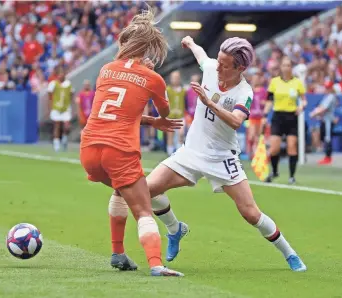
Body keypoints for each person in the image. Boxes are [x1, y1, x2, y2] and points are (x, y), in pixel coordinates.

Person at [112, 36, 307, 272]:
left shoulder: (244, 91)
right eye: (219, 62)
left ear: (240, 68)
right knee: (145, 191)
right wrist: (191, 43)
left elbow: (236, 120)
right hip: (191, 151)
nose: (219, 68)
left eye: (225, 65)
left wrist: (209, 102)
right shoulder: (212, 68)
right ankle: (175, 229)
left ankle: (290, 253)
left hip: (222, 158)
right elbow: (202, 56)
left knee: (250, 213)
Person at [80, 9, 184, 277]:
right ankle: (156, 264)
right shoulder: (153, 78)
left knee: (120, 191)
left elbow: (116, 109)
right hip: (119, 151)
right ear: (149, 48)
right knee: (143, 209)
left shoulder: (105, 70)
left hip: (90, 149)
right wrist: (156, 118)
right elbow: (165, 113)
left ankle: (118, 254)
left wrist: (147, 120)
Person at [263, 56, 307, 184]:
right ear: (281, 67)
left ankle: (292, 176)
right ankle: (275, 171)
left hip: (291, 116)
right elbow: (269, 100)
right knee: (274, 147)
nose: (286, 68)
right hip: (278, 116)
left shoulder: (297, 82)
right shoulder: (274, 82)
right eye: (284, 65)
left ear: (291, 68)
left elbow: (304, 100)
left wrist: (302, 106)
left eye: (288, 65)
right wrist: (265, 115)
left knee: (292, 146)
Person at [309, 81, 338, 165]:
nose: (326, 89)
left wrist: (314, 114)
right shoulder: (327, 96)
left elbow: (323, 108)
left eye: (328, 87)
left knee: (327, 138)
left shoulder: (331, 96)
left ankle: (328, 157)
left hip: (328, 121)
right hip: (325, 120)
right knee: (324, 138)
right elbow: (321, 108)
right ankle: (326, 156)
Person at [47, 69, 74, 152]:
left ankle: (64, 139)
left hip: (66, 108)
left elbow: (71, 94)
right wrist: (50, 107)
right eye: (59, 74)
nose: (61, 75)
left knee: (66, 127)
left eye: (62, 74)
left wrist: (69, 105)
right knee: (57, 126)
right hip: (56, 108)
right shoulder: (53, 84)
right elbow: (49, 95)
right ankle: (56, 144)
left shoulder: (68, 84)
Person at [166, 70, 186, 155]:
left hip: (180, 116)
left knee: (181, 134)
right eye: (174, 78)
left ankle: (178, 152)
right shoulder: (168, 90)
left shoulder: (183, 91)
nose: (175, 79)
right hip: (170, 116)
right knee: (170, 135)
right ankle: (170, 153)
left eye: (177, 78)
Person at [247, 73, 267, 159]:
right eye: (253, 79)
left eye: (256, 79)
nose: (255, 80)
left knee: (258, 136)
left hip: (260, 116)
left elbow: (266, 102)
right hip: (252, 116)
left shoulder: (263, 91)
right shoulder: (249, 91)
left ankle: (256, 154)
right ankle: (251, 152)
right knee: (251, 135)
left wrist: (264, 103)